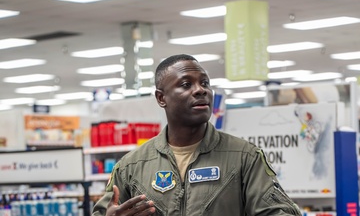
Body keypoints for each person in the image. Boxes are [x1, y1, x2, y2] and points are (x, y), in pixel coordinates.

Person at [92, 54, 302, 216]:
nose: (200, 90)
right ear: (161, 98)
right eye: (186, 84)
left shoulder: (244, 157)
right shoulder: (132, 166)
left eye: (205, 83)